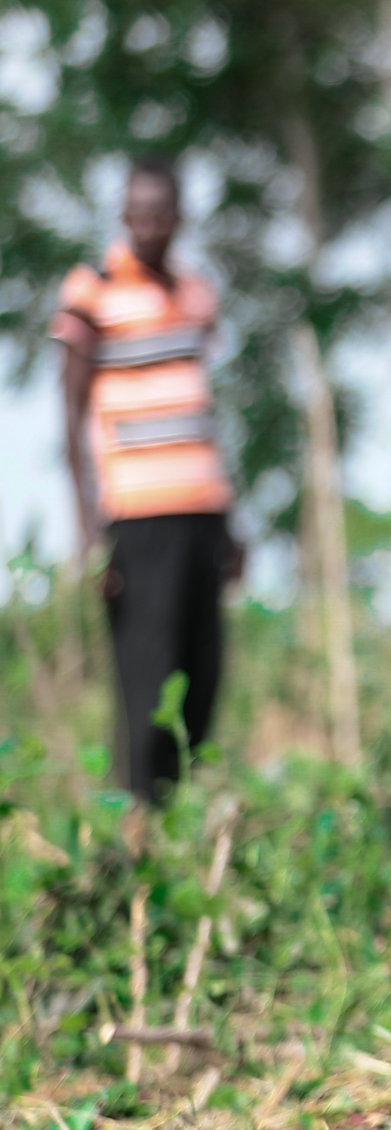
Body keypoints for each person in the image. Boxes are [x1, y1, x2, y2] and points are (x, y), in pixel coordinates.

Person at [53, 157, 242, 800]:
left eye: (162, 212)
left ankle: (184, 817)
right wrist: (90, 530)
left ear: (180, 216)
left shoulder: (195, 292)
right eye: (139, 212)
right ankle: (140, 826)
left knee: (202, 674)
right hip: (138, 516)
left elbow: (203, 410)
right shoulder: (93, 289)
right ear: (124, 215)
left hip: (203, 510)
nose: (151, 224)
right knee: (148, 676)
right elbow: (71, 419)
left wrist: (232, 522)